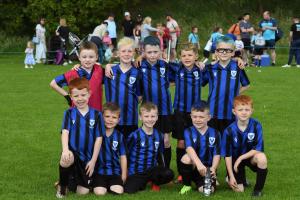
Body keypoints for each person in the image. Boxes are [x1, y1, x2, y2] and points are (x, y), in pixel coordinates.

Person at [55, 77, 104, 198]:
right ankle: (62, 188)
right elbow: (65, 132)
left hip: (87, 158)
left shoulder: (97, 114)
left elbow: (99, 138)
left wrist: (93, 161)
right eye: (76, 96)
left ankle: (65, 180)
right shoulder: (69, 113)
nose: (80, 99)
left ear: (89, 94)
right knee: (66, 158)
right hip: (74, 154)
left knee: (83, 192)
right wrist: (65, 150)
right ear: (71, 97)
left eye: (83, 95)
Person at [168, 44, 205, 183]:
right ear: (179, 57)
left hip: (196, 112)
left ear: (196, 56)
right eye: (184, 55)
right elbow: (159, 62)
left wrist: (238, 59)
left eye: (190, 55)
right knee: (182, 142)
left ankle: (198, 170)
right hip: (179, 111)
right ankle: (182, 174)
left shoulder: (201, 70)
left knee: (197, 142)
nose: (187, 58)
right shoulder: (176, 68)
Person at [221, 95, 268, 197]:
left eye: (247, 109)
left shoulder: (256, 125)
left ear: (252, 111)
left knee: (262, 158)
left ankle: (258, 190)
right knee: (239, 190)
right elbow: (227, 156)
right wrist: (231, 176)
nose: (244, 112)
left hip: (249, 157)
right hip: (234, 160)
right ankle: (235, 178)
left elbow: (258, 148)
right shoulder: (228, 131)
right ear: (234, 111)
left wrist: (241, 158)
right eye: (240, 109)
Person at [202, 36, 250, 134]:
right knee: (213, 143)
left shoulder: (237, 67)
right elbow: (201, 83)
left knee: (229, 143)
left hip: (231, 112)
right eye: (221, 50)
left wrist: (235, 92)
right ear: (216, 52)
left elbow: (246, 85)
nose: (224, 52)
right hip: (213, 112)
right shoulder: (210, 68)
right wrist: (200, 66)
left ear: (233, 52)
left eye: (228, 50)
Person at [139, 36, 174, 170]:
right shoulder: (140, 65)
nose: (152, 55)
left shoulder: (165, 65)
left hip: (165, 110)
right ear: (144, 52)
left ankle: (166, 170)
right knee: (151, 141)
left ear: (160, 51)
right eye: (149, 52)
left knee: (165, 141)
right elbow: (120, 64)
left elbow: (186, 67)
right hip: (149, 111)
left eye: (155, 52)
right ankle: (151, 170)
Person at [124, 102, 174, 194]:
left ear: (157, 117)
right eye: (146, 116)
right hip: (137, 171)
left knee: (169, 174)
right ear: (140, 117)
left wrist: (163, 169)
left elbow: (160, 154)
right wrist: (125, 172)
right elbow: (126, 154)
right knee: (129, 190)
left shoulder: (159, 135)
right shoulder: (134, 136)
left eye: (152, 116)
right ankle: (142, 183)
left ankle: (155, 182)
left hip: (152, 170)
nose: (150, 119)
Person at [179, 101, 221, 194]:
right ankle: (187, 184)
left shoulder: (215, 133)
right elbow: (189, 148)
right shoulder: (188, 131)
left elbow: (217, 154)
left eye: (201, 117)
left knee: (207, 192)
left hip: (207, 170)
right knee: (186, 158)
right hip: (195, 166)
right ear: (191, 116)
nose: (198, 120)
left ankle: (204, 182)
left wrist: (213, 168)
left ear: (208, 117)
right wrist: (199, 165)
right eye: (195, 117)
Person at [103, 37, 141, 138]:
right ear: (118, 53)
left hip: (131, 119)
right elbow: (90, 67)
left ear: (133, 53)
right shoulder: (109, 71)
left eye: (129, 51)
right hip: (111, 119)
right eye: (123, 51)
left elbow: (140, 96)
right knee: (112, 149)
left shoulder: (137, 73)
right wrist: (76, 66)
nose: (126, 54)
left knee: (129, 150)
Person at [50, 41, 104, 111]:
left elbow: (117, 69)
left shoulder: (100, 70)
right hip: (77, 116)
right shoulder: (73, 73)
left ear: (96, 57)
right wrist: (68, 97)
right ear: (79, 57)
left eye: (91, 57)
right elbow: (53, 83)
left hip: (96, 114)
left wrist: (108, 66)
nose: (87, 60)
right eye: (84, 57)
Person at [93, 102, 127, 195]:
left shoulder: (119, 136)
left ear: (118, 120)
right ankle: (101, 186)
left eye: (114, 117)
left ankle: (110, 185)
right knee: (100, 193)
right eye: (107, 116)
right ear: (102, 117)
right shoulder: (96, 134)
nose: (110, 120)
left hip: (114, 172)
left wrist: (124, 174)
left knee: (118, 191)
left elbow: (123, 156)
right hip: (99, 172)